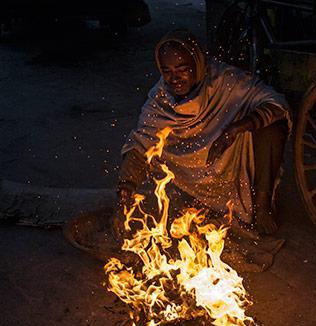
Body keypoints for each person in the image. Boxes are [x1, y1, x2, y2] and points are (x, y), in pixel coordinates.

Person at [112, 29, 290, 241]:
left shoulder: (225, 80)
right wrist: (125, 194)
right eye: (167, 71)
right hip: (191, 179)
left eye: (182, 69)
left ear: (196, 63)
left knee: (272, 127)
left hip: (231, 165)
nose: (175, 78)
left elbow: (276, 103)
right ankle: (197, 204)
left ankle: (261, 206)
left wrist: (237, 128)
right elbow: (141, 146)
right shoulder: (159, 100)